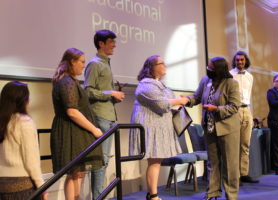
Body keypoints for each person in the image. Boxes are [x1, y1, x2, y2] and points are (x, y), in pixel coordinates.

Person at [129, 55, 189, 200]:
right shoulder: (146, 84)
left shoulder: (159, 84)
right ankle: (153, 195)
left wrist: (175, 106)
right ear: (151, 67)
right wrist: (179, 100)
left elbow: (166, 102)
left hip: (159, 127)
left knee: (156, 161)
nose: (165, 65)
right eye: (161, 63)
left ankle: (152, 194)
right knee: (154, 161)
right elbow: (162, 104)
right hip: (151, 128)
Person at [51, 48, 103, 200]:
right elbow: (72, 111)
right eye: (82, 62)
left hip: (75, 131)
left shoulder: (69, 81)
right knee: (74, 173)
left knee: (77, 173)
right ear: (72, 62)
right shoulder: (66, 82)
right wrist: (94, 129)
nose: (83, 65)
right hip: (70, 132)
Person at [186, 57, 241, 200]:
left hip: (228, 129)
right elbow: (196, 97)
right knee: (212, 162)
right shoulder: (205, 81)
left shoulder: (231, 83)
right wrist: (186, 100)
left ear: (219, 69)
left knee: (230, 165)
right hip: (210, 128)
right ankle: (212, 192)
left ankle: (231, 195)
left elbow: (234, 106)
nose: (208, 68)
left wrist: (216, 109)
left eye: (211, 67)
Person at [84, 29, 125, 199]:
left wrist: (114, 97)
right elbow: (88, 91)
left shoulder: (105, 63)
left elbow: (99, 91)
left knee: (105, 160)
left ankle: (98, 196)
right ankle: (98, 197)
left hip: (108, 115)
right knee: (101, 161)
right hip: (100, 116)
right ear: (101, 43)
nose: (114, 45)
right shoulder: (95, 64)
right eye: (111, 42)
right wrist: (111, 94)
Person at [0, 81, 48, 200]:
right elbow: (31, 161)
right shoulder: (24, 122)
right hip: (22, 187)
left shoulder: (2, 122)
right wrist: (42, 187)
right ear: (23, 100)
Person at [230, 51, 259, 184]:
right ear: (234, 61)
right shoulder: (230, 75)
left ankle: (244, 173)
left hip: (247, 110)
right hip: (234, 110)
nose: (240, 62)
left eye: (242, 60)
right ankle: (235, 176)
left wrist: (250, 113)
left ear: (246, 61)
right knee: (234, 145)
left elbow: (248, 95)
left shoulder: (250, 76)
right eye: (237, 60)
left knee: (245, 144)